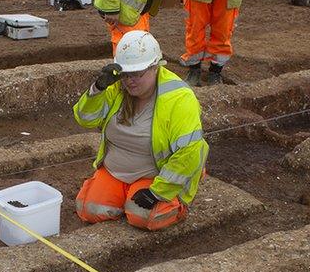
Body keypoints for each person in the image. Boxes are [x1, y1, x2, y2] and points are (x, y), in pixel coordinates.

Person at [72, 31, 208, 231]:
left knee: (143, 217)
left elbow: (190, 152)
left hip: (153, 175)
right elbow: (84, 119)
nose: (129, 81)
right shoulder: (116, 87)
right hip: (115, 172)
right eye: (125, 74)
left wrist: (158, 193)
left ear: (155, 67)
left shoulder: (179, 99)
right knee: (89, 209)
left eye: (137, 74)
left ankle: (176, 203)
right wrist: (98, 89)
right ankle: (125, 195)